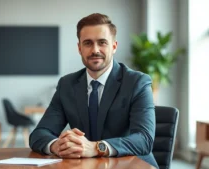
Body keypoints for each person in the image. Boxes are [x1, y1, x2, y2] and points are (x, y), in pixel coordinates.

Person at [29, 13, 158, 168]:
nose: (95, 50)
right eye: (88, 43)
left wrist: (97, 147)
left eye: (102, 42)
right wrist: (57, 145)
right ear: (79, 48)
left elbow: (144, 140)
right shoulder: (67, 84)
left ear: (114, 46)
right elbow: (39, 134)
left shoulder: (137, 82)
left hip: (131, 165)